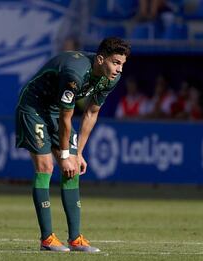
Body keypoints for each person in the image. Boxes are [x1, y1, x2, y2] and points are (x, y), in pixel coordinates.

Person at [15, 37, 130, 252]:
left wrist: (78, 155)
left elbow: (91, 113)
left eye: (122, 64)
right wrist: (66, 154)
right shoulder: (74, 74)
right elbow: (66, 118)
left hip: (56, 111)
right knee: (46, 167)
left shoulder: (110, 78)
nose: (119, 69)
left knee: (72, 169)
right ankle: (47, 239)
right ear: (100, 59)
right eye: (116, 62)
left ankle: (75, 239)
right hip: (34, 107)